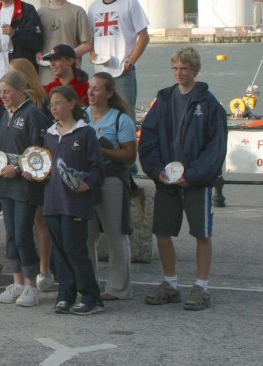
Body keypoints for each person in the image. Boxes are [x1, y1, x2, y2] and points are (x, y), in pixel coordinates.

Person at [139, 47, 226, 311]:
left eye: (184, 68)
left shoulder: (209, 104)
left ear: (195, 70)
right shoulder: (163, 100)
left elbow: (216, 148)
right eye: (175, 68)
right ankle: (170, 283)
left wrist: (194, 175)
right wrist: (157, 172)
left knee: (201, 234)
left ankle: (201, 286)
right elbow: (149, 140)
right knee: (162, 233)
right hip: (166, 181)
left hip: (196, 182)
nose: (179, 73)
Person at [36, 86, 104, 315]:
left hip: (75, 202)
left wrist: (88, 184)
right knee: (60, 250)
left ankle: (91, 296)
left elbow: (97, 167)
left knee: (75, 248)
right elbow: (44, 164)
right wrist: (34, 171)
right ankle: (66, 293)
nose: (54, 108)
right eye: (51, 104)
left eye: (58, 103)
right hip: (53, 200)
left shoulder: (85, 133)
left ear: (72, 104)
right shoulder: (50, 133)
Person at [0, 71, 50, 307]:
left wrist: (17, 168)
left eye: (7, 91)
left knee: (24, 234)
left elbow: (39, 153)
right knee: (12, 236)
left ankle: (31, 286)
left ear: (21, 91)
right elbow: (3, 147)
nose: (3, 96)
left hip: (25, 185)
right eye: (1, 92)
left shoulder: (33, 115)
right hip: (6, 184)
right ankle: (17, 283)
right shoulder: (6, 114)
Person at [85, 72, 137, 301]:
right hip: (86, 180)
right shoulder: (82, 116)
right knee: (87, 235)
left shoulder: (120, 120)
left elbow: (129, 156)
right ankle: (88, 282)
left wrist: (101, 149)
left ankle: (118, 287)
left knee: (116, 234)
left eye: (97, 89)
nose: (91, 93)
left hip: (112, 179)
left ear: (109, 93)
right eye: (90, 88)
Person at [9, 57, 55, 291]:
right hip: (23, 173)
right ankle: (36, 269)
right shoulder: (13, 106)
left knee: (41, 220)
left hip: (40, 169)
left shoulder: (42, 103)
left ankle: (45, 270)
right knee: (32, 222)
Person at [88, 0, 149, 112]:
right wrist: (92, 53)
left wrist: (130, 62)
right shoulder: (94, 8)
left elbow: (144, 37)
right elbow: (91, 38)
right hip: (100, 72)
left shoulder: (130, 3)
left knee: (126, 113)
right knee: (99, 113)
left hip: (122, 71)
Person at [37, 0, 93, 85]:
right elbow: (35, 42)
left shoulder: (77, 12)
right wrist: (37, 53)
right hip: (45, 77)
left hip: (69, 78)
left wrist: (65, 57)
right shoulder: (40, 13)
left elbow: (87, 44)